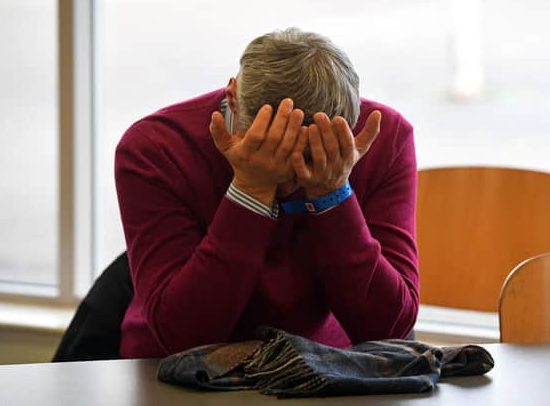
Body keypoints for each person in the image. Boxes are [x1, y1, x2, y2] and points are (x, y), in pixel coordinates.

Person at [115, 27, 419, 359]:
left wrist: (332, 193)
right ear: (232, 98)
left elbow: (390, 330)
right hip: (174, 372)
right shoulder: (155, 149)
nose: (291, 184)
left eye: (310, 157)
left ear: (351, 121)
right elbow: (184, 337)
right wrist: (250, 191)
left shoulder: (383, 139)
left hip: (323, 368)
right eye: (268, 148)